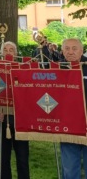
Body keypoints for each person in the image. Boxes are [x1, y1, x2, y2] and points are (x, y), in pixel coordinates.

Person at [0, 41, 30, 179]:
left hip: (21, 120)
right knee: (4, 157)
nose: (8, 52)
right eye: (6, 50)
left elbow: (29, 93)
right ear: (1, 53)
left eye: (11, 50)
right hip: (3, 120)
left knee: (22, 157)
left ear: (16, 53)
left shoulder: (23, 69)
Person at [60, 38, 87, 178]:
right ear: (62, 51)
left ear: (82, 51)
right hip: (67, 127)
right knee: (70, 170)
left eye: (74, 48)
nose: (70, 52)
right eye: (67, 48)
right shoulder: (57, 69)